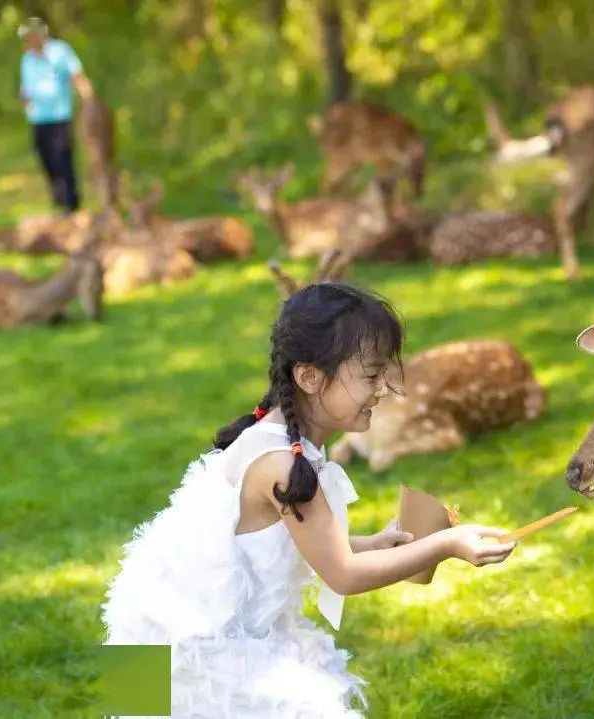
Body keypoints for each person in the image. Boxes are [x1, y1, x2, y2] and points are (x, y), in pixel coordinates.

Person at [102, 282, 517, 717]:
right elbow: (343, 575)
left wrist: (371, 543)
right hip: (185, 644)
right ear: (309, 377)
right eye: (371, 375)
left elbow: (275, 545)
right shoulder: (281, 464)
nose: (383, 389)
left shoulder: (286, 443)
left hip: (174, 625)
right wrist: (446, 545)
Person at [17, 17, 91, 212]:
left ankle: (72, 203)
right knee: (45, 158)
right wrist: (23, 97)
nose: (29, 41)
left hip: (59, 115)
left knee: (62, 158)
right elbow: (26, 87)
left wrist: (88, 100)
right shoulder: (27, 60)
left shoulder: (61, 51)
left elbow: (76, 76)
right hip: (37, 117)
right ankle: (59, 198)